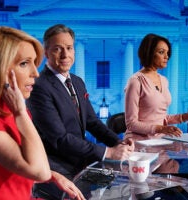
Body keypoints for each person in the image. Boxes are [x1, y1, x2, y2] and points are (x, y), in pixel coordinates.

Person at [0, 26, 84, 200]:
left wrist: (54, 175)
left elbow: (20, 163)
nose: (35, 73)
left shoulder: (12, 112)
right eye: (24, 63)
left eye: (34, 63)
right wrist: (20, 112)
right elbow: (38, 171)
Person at [27, 24, 134, 199]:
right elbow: (60, 139)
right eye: (57, 49)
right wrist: (108, 152)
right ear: (46, 53)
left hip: (81, 167)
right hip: (57, 175)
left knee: (127, 189)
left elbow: (92, 122)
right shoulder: (39, 87)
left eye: (69, 48)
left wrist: (118, 143)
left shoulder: (77, 82)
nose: (65, 55)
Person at [124, 33, 188, 141]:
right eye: (161, 52)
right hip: (139, 142)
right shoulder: (135, 81)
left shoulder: (164, 80)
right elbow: (131, 124)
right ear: (149, 53)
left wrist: (185, 117)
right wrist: (162, 129)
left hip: (160, 139)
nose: (167, 57)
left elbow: (161, 118)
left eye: (167, 53)